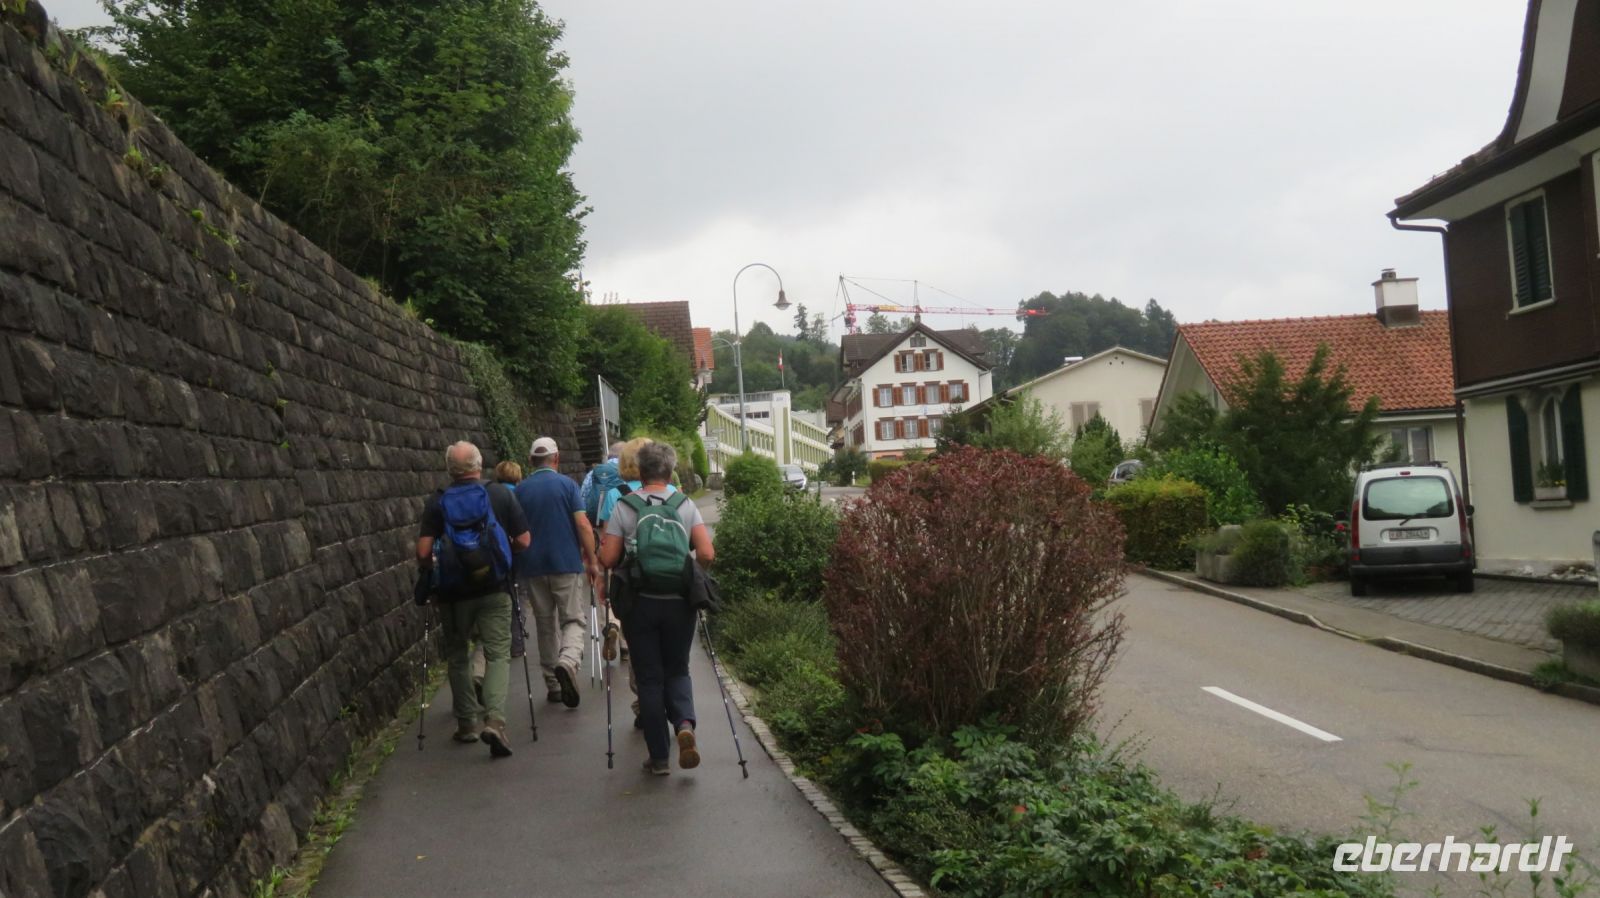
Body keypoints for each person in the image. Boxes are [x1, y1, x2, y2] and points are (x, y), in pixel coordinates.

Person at [600, 440, 714, 775]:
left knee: (649, 678)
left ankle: (660, 758)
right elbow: (706, 553)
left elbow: (609, 558)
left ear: (640, 469)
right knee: (678, 669)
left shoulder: (625, 506)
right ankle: (684, 724)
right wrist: (691, 574)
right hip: (679, 602)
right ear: (670, 470)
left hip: (640, 603)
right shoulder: (684, 504)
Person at [417, 441, 530, 758]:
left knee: (457, 654)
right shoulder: (500, 494)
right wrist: (499, 555)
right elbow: (524, 540)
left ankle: (466, 723)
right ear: (479, 465)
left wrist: (432, 570)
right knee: (497, 654)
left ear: (449, 468)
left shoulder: (438, 501)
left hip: (453, 592)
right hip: (494, 588)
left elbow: (423, 551)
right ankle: (494, 720)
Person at [514, 437, 601, 708]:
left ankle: (553, 684)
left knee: (545, 623)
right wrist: (592, 561)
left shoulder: (520, 490)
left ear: (531, 461)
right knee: (572, 619)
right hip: (565, 562)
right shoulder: (567, 485)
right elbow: (583, 525)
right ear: (557, 458)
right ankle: (568, 660)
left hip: (532, 566)